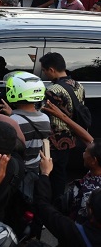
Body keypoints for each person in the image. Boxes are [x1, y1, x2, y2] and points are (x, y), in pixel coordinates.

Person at [40, 51, 87, 198]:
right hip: (71, 139)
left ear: (52, 70)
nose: (44, 74)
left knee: (48, 172)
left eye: (44, 70)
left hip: (53, 141)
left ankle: (49, 202)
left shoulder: (52, 90)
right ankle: (60, 200)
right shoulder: (79, 86)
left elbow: (42, 113)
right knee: (61, 172)